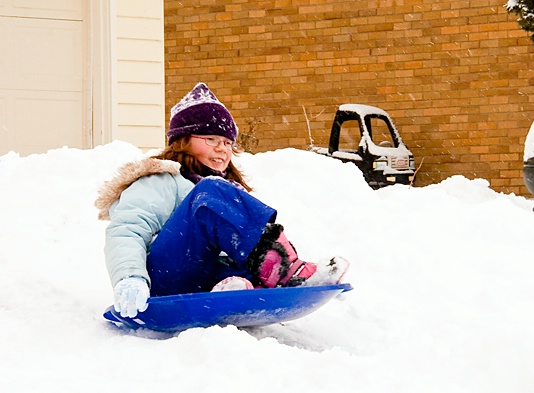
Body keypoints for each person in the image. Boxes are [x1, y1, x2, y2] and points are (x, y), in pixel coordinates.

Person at [95, 82, 348, 318]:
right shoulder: (163, 180)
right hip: (163, 277)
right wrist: (130, 277)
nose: (222, 148)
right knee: (211, 193)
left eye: (227, 142)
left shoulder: (225, 190)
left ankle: (240, 287)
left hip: (201, 276)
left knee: (245, 254)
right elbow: (127, 228)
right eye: (211, 139)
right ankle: (286, 272)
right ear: (182, 141)